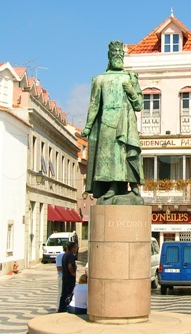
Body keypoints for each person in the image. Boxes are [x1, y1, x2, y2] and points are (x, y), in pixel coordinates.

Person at [81, 40, 144, 203]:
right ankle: (113, 186)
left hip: (126, 122)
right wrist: (88, 127)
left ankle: (133, 183)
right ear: (109, 57)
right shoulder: (99, 79)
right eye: (114, 54)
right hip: (106, 123)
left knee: (126, 154)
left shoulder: (131, 77)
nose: (117, 57)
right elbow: (94, 104)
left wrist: (131, 91)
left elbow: (139, 105)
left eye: (120, 54)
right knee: (110, 156)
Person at [57, 242, 78, 312]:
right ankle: (66, 307)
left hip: (65, 277)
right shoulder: (70, 255)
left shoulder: (65, 254)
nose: (76, 249)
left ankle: (61, 307)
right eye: (75, 247)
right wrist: (73, 273)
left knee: (64, 293)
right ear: (72, 248)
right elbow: (69, 265)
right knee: (68, 293)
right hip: (69, 278)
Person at [55, 243, 67, 311]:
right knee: (61, 293)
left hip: (67, 277)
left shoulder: (69, 255)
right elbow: (59, 268)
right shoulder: (60, 256)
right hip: (62, 277)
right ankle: (59, 308)